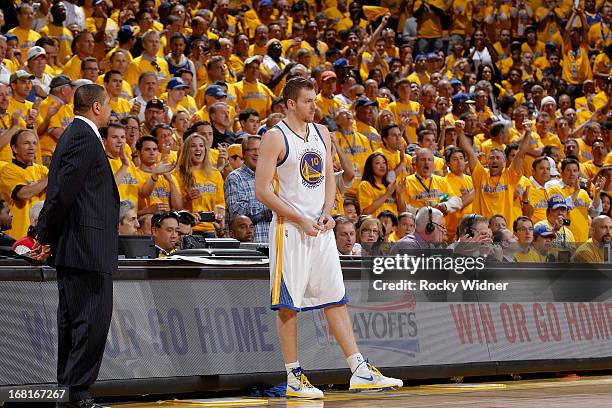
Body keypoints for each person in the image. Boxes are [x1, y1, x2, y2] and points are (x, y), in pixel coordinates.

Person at [255, 77, 402, 399]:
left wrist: (327, 210)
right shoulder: (274, 137)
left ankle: (359, 368)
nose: (314, 106)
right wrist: (300, 218)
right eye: (308, 101)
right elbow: (262, 190)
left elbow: (330, 178)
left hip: (319, 229)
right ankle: (294, 375)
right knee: (288, 305)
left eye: (315, 100)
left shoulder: (323, 133)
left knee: (336, 298)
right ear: (291, 104)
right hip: (289, 230)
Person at [32, 84, 116, 408]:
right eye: (107, 104)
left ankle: (67, 395)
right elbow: (62, 194)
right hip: (86, 249)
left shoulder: (74, 135)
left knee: (74, 325)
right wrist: (41, 236)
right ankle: (77, 395)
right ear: (96, 107)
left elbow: (64, 193)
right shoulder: (83, 136)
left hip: (78, 249)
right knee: (89, 324)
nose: (110, 110)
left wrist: (47, 237)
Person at [224, 135, 272, 243]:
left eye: (261, 149)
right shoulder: (235, 178)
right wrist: (272, 204)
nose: (257, 153)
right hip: (246, 249)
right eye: (253, 150)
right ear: (243, 154)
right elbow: (238, 212)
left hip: (271, 244)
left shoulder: (272, 178)